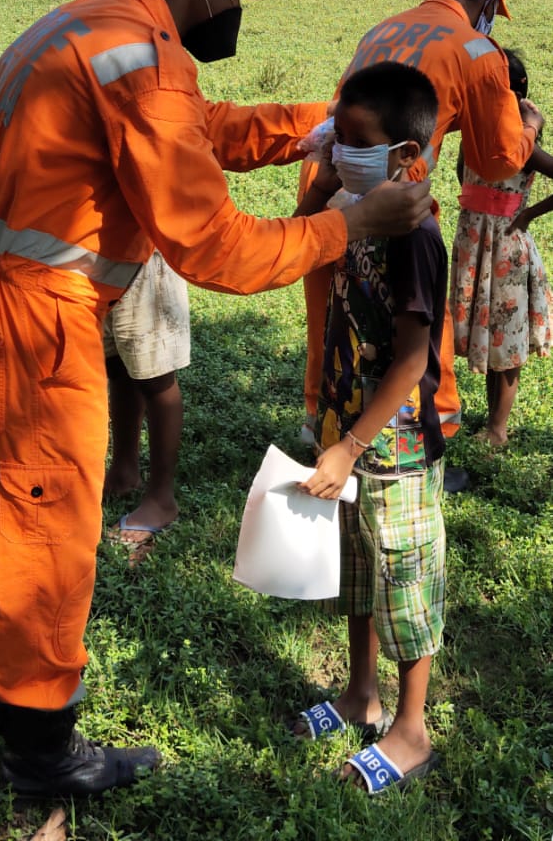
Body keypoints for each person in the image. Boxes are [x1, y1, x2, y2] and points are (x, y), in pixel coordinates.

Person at [0, 0, 433, 799]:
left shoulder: (97, 22)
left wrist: (316, 125)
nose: (240, 7)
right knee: (38, 534)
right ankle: (41, 760)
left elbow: (191, 129)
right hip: (28, 325)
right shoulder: (145, 62)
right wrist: (347, 223)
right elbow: (216, 246)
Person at [299, 0, 544, 492]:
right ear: (488, 5)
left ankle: (323, 424)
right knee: (420, 333)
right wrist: (529, 127)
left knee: (336, 320)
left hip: (329, 175)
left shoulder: (387, 26)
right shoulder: (480, 49)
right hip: (392, 196)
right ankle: (431, 438)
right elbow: (500, 158)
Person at [295, 62, 446, 794]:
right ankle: (361, 693)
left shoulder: (413, 236)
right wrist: (325, 182)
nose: (339, 150)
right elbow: (295, 244)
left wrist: (351, 445)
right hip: (346, 432)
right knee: (357, 574)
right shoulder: (357, 208)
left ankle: (411, 729)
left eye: (354, 141)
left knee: (402, 585)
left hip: (394, 448)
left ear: (405, 161)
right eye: (337, 136)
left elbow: (413, 357)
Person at [450, 49, 553, 447]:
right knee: (491, 334)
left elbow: (465, 175)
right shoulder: (475, 132)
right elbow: (463, 174)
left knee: (506, 341)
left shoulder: (522, 145)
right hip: (476, 244)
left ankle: (498, 428)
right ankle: (492, 419)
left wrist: (527, 215)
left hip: (506, 247)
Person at [103, 250, 188, 545]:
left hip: (146, 258)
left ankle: (161, 498)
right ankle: (124, 470)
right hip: (102, 250)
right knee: (116, 362)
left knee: (156, 377)